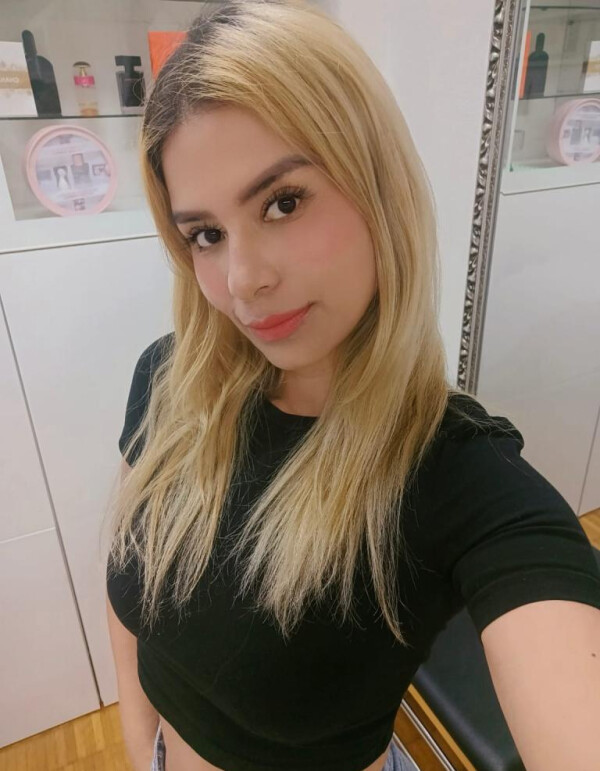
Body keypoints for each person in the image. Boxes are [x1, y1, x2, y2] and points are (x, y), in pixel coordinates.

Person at [104, 2, 600, 770]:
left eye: (283, 202)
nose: (243, 279)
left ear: (377, 185)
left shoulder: (458, 478)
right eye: (206, 234)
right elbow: (128, 591)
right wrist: (143, 748)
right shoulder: (169, 379)